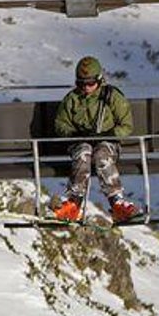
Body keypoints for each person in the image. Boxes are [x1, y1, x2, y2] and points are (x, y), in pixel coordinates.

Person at [52, 56, 137, 223]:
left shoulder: (111, 97)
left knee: (101, 154)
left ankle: (116, 202)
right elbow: (61, 124)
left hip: (107, 142)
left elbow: (126, 125)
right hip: (81, 142)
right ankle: (74, 202)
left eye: (90, 83)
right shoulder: (72, 99)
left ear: (99, 80)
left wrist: (109, 135)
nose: (86, 88)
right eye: (81, 84)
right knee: (84, 152)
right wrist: (73, 135)